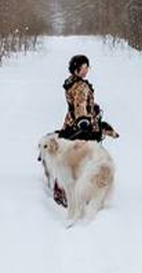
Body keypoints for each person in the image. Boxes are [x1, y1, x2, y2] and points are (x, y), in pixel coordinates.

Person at [50, 54, 119, 207]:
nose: (87, 69)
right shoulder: (80, 86)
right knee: (79, 160)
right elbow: (80, 104)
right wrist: (84, 122)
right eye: (84, 67)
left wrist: (92, 108)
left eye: (88, 66)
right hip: (80, 128)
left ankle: (61, 189)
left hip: (70, 124)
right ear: (77, 69)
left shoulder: (72, 82)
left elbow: (77, 103)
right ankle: (72, 192)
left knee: (68, 159)